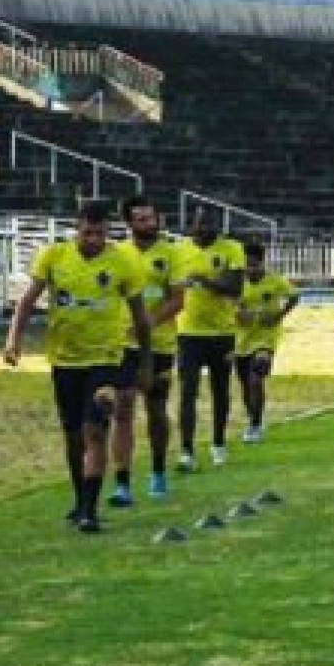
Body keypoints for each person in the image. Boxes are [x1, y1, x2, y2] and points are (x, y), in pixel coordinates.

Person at [2, 201, 154, 532]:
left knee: (96, 428)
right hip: (65, 358)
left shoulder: (124, 262)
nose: (94, 240)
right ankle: (79, 499)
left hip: (106, 357)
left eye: (100, 233)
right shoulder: (54, 257)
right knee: (73, 436)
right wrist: (13, 340)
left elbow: (141, 318)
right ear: (77, 229)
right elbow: (27, 302)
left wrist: (145, 362)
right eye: (88, 233)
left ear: (108, 232)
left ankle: (89, 510)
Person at [110, 195, 185, 504]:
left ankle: (157, 472)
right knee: (122, 408)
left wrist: (147, 324)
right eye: (141, 219)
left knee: (156, 407)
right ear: (129, 223)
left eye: (152, 218)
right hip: (122, 345)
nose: (149, 224)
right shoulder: (116, 254)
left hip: (160, 345)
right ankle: (122, 483)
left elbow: (178, 300)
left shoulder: (171, 253)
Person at [174, 208, 246, 470]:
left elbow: (235, 288)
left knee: (220, 390)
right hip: (188, 332)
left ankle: (218, 442)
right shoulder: (178, 251)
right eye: (199, 223)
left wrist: (205, 281)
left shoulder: (231, 249)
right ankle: (186, 451)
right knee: (187, 391)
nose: (204, 228)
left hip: (222, 332)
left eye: (210, 223)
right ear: (191, 225)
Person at [233, 240, 299, 444]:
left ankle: (255, 425)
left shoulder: (275, 281)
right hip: (241, 340)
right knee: (245, 385)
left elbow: (294, 296)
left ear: (262, 263)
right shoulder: (237, 283)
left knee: (256, 377)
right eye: (247, 265)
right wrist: (238, 313)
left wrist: (280, 314)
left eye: (254, 265)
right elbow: (231, 306)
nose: (250, 270)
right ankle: (254, 419)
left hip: (265, 338)